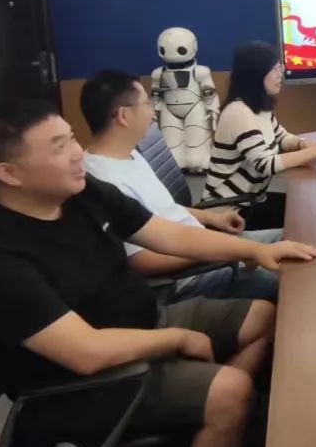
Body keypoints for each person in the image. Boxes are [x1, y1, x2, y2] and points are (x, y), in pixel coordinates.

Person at [0, 100, 316, 447]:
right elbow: (85, 352)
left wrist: (254, 251)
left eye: (71, 138)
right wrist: (178, 339)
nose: (76, 153)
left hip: (142, 320)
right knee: (230, 392)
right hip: (82, 385)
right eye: (58, 147)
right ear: (9, 173)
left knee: (264, 316)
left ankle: (208, 423)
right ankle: (221, 411)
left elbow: (168, 234)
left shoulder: (78, 192)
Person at [81, 69, 282, 302]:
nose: (153, 113)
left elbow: (161, 209)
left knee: (289, 240)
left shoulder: (129, 153)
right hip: (190, 275)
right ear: (124, 116)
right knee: (290, 279)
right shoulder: (105, 183)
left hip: (201, 243)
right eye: (146, 103)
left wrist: (211, 218)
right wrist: (217, 250)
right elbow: (143, 261)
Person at [202, 42, 316, 211]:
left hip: (251, 201)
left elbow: (281, 138)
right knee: (308, 212)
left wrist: (302, 144)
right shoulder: (238, 112)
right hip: (227, 209)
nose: (280, 74)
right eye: (274, 69)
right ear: (255, 75)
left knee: (309, 206)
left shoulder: (258, 107)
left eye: (280, 67)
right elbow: (266, 165)